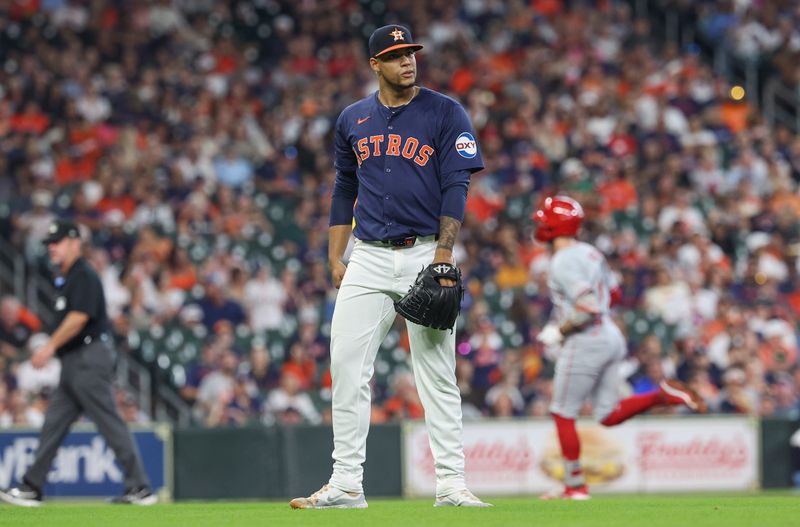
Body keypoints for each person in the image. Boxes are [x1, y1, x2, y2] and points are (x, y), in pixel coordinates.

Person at [290, 24, 490, 509]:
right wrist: (335, 256)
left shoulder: (446, 111)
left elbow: (456, 184)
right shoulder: (352, 119)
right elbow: (343, 190)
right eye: (396, 55)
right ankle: (345, 484)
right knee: (346, 365)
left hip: (426, 252)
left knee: (436, 372)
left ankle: (452, 484)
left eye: (411, 53)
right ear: (375, 64)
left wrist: (444, 253)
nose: (408, 61)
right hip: (370, 255)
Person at [532, 196, 707, 500]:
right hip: (611, 335)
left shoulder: (561, 261)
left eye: (544, 219)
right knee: (607, 414)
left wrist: (559, 331)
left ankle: (575, 487)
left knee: (562, 412)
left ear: (553, 225)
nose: (540, 223)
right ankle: (661, 395)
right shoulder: (590, 252)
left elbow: (587, 309)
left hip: (586, 338)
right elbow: (612, 294)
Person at [0, 220, 156, 507]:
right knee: (54, 424)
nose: (52, 249)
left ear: (74, 243)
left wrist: (49, 346)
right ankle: (32, 485)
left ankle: (141, 487)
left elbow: (79, 318)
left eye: (57, 243)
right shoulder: (68, 276)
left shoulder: (83, 273)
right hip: (74, 361)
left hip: (89, 357)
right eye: (49, 244)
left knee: (108, 421)